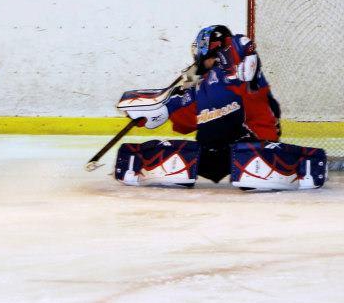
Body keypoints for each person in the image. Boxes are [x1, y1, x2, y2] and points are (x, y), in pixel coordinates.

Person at [115, 25, 326, 189]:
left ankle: (286, 164)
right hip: (217, 152)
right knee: (180, 157)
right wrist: (152, 112)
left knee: (249, 161)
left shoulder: (241, 73)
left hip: (253, 142)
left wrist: (226, 53)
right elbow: (183, 123)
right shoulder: (201, 86)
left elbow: (244, 52)